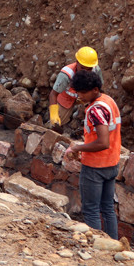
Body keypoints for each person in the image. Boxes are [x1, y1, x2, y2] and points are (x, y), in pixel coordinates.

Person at [64, 69, 121, 239]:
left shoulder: (96, 110)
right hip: (112, 163)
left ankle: (95, 249)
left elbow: (103, 142)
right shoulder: (109, 101)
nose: (80, 96)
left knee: (91, 210)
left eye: (83, 92)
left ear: (95, 89)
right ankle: (113, 245)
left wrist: (77, 148)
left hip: (96, 166)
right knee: (107, 208)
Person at [49, 47, 103, 128]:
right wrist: (53, 114)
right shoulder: (66, 74)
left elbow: (99, 89)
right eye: (82, 68)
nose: (86, 72)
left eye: (89, 69)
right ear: (77, 62)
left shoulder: (95, 70)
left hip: (86, 97)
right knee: (56, 124)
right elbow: (53, 94)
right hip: (66, 98)